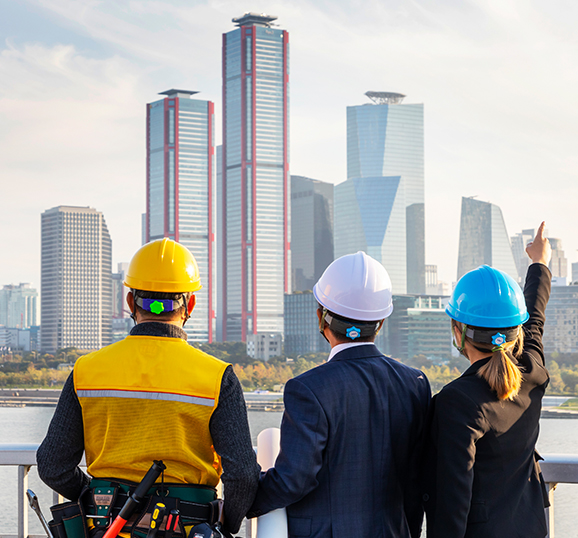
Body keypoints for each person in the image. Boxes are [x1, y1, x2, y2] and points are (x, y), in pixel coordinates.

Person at [37, 238, 259, 535]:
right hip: (189, 527)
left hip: (105, 527)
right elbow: (242, 475)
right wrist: (224, 524)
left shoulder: (87, 370)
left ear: (130, 301)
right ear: (190, 304)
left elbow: (53, 465)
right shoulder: (217, 376)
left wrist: (99, 495)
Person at [247, 251, 431, 537]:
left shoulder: (308, 388)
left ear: (321, 317)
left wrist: (240, 502)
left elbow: (293, 480)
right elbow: (417, 478)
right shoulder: (415, 383)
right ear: (381, 322)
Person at [423, 222, 552, 538]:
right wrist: (539, 263)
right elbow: (535, 318)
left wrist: (538, 262)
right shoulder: (532, 371)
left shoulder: (456, 402)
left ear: (459, 330)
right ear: (515, 331)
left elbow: (451, 500)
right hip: (532, 529)